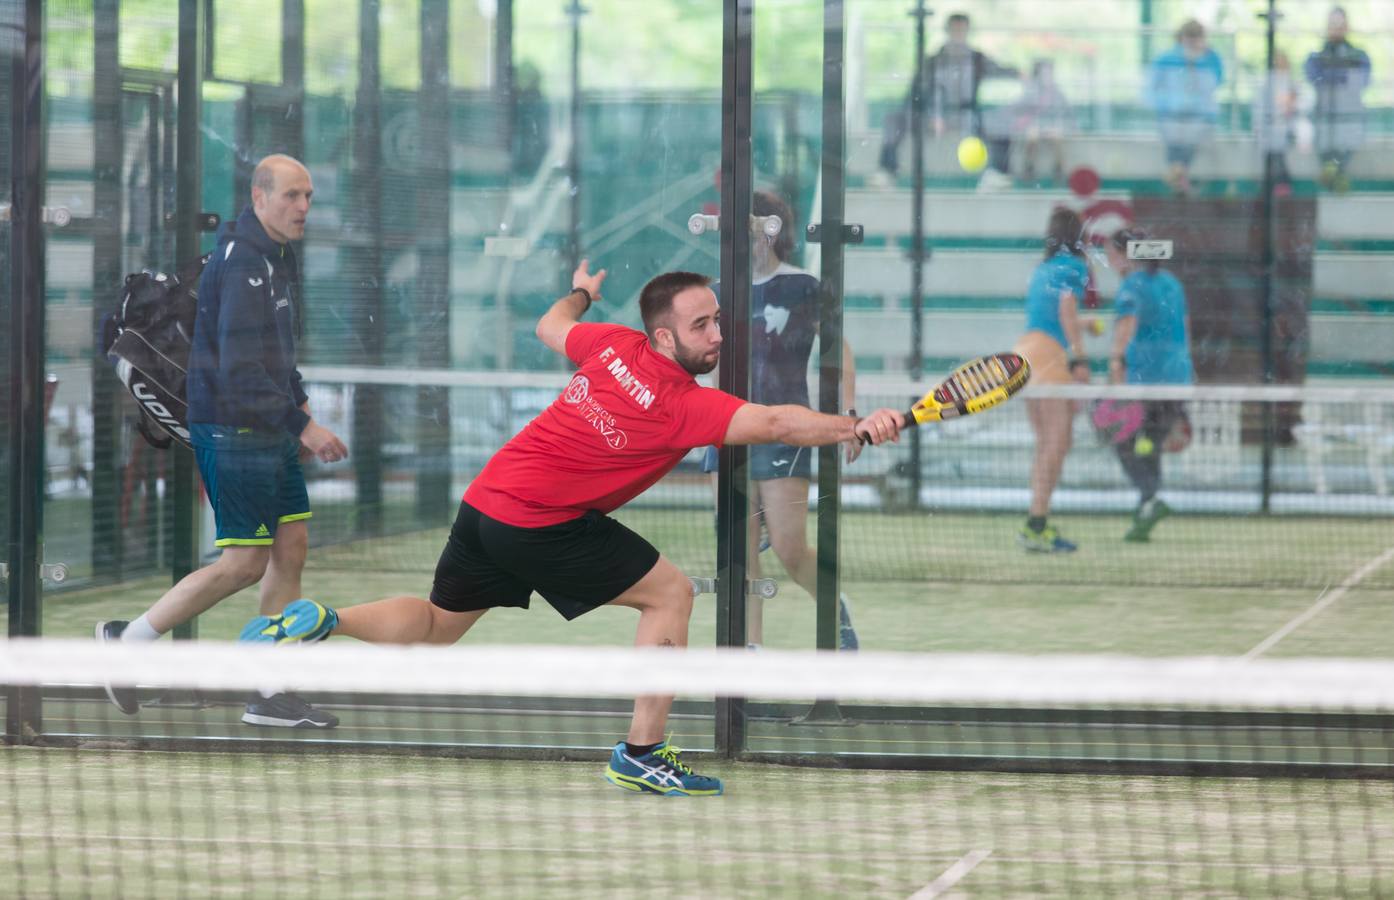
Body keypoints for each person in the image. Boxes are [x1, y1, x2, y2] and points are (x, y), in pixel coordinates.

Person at [239, 261, 905, 796]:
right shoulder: (683, 405)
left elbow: (550, 324)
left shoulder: (611, 344)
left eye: (718, 321)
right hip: (541, 521)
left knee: (439, 625)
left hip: (487, 502)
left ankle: (324, 618)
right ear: (664, 338)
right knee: (670, 593)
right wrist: (855, 426)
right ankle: (643, 753)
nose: (718, 336)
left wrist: (581, 292)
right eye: (701, 326)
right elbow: (778, 422)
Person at [97, 154, 349, 728]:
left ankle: (269, 688)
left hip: (269, 430)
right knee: (243, 563)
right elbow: (237, 370)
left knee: (291, 547)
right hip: (234, 433)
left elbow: (276, 352)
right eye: (291, 196)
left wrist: (299, 402)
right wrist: (304, 426)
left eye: (308, 196)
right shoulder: (241, 263)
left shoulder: (276, 258)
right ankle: (127, 643)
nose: (303, 207)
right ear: (260, 198)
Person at [700, 191, 861, 650]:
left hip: (787, 432)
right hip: (728, 431)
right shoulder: (716, 294)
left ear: (771, 231)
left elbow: (840, 350)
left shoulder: (803, 286)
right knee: (739, 554)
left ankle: (834, 608)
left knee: (790, 548)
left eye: (749, 228)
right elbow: (709, 366)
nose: (740, 239)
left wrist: (848, 415)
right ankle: (750, 653)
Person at [1104, 228, 1194, 542]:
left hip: (1145, 380)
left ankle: (1150, 496)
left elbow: (1126, 329)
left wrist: (1116, 371)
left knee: (1121, 439)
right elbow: (1185, 329)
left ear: (1126, 255)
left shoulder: (1132, 286)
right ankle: (1145, 512)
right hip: (1177, 379)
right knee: (1148, 444)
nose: (1109, 261)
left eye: (1111, 254)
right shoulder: (1173, 284)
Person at [1014, 207, 1090, 553]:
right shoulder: (1074, 267)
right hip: (1048, 357)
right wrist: (1080, 358)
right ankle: (1036, 523)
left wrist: (1084, 326)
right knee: (1057, 443)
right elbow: (1066, 309)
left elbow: (1052, 314)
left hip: (1025, 353)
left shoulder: (1042, 268)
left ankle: (1036, 522)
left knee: (1047, 444)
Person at [878, 12, 1019, 188]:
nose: (958, 34)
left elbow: (1001, 71)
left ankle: (997, 172)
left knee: (1000, 122)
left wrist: (1022, 73)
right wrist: (933, 116)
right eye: (955, 30)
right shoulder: (933, 61)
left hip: (967, 116)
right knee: (894, 118)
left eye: (962, 30)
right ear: (948, 31)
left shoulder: (977, 59)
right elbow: (915, 93)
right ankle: (887, 171)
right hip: (934, 117)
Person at [1146, 20, 1223, 196]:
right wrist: (1170, 103)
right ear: (1181, 39)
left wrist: (1205, 58)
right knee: (1176, 139)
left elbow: (1217, 81)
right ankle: (1179, 175)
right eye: (1190, 39)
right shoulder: (1167, 59)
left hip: (1199, 116)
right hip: (1171, 114)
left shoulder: (1210, 59)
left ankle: (1178, 174)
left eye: (1198, 38)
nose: (1194, 43)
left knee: (1190, 138)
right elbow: (1153, 88)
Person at [1305, 6, 1371, 193]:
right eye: (1332, 24)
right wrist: (1341, 75)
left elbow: (1362, 81)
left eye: (1340, 23)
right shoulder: (1316, 57)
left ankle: (1336, 173)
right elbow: (1314, 77)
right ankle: (1334, 174)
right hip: (1325, 119)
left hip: (1349, 119)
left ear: (1347, 26)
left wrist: (1332, 75)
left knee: (1345, 140)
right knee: (1326, 142)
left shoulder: (1359, 56)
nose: (1336, 28)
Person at [1011, 59, 1073, 185]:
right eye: (1044, 73)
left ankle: (1059, 170)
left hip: (1052, 126)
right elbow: (1019, 109)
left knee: (1057, 136)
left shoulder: (1057, 93)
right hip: (1034, 126)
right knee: (1032, 136)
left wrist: (1057, 126)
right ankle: (1028, 168)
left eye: (1049, 73)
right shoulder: (1031, 92)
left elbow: (1065, 113)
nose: (1047, 76)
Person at [1254, 50, 1300, 195]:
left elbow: (1295, 107)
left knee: (1278, 157)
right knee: (1270, 158)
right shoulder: (1266, 83)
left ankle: (1281, 188)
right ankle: (1273, 188)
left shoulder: (1291, 83)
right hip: (1269, 129)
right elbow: (1260, 107)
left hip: (1283, 128)